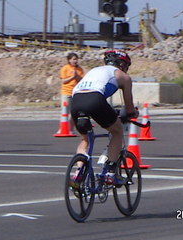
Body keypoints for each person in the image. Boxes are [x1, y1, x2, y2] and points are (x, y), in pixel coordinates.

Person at [70, 50, 139, 184]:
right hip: (95, 99)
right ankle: (110, 173)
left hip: (76, 101)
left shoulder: (95, 70)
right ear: (122, 65)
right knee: (117, 131)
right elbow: (129, 107)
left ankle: (79, 171)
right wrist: (132, 113)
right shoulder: (123, 76)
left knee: (85, 139)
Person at [59, 52, 84, 133]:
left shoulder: (79, 69)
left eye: (76, 59)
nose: (75, 61)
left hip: (76, 92)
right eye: (73, 59)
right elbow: (63, 81)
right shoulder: (65, 68)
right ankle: (62, 129)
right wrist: (71, 77)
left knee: (74, 112)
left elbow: (81, 80)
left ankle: (71, 129)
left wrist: (76, 76)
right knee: (64, 111)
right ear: (69, 60)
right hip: (66, 92)